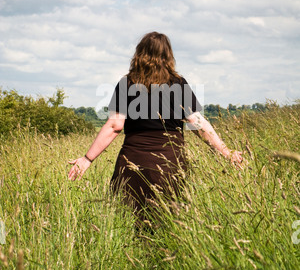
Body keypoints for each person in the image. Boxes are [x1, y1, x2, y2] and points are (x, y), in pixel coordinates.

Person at [68, 32, 244, 225]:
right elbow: (198, 123)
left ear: (139, 53)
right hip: (170, 162)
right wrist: (226, 153)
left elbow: (114, 125)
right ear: (168, 55)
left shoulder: (127, 83)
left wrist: (87, 159)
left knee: (128, 221)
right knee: (169, 221)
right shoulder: (177, 83)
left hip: (133, 161)